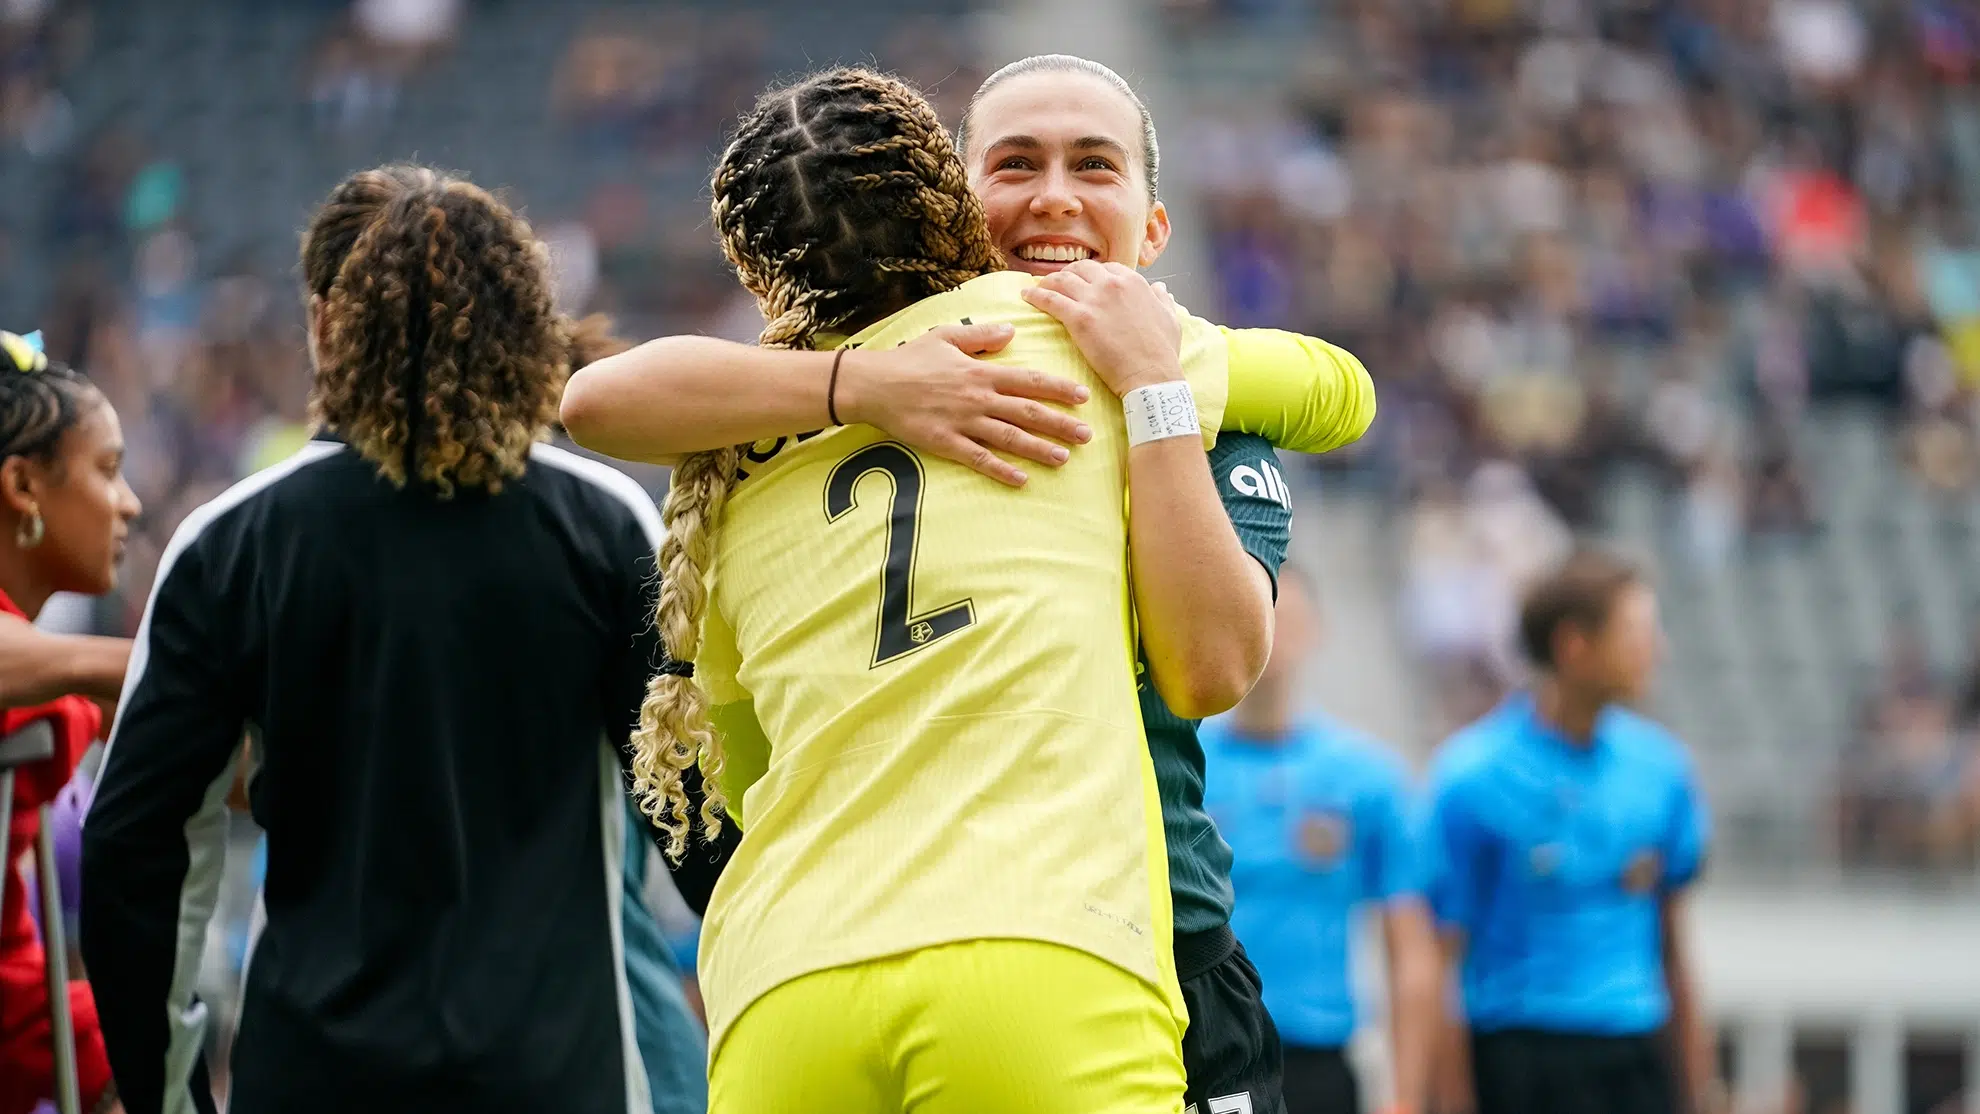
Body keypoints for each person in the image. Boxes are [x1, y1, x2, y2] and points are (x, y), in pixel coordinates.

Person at [561, 55, 1376, 1112]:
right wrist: (1141, 380)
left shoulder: (734, 446)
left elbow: (750, 763)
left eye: (1094, 165)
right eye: (1014, 164)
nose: (1053, 197)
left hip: (790, 976)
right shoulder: (1114, 358)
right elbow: (1338, 395)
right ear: (952, 196)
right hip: (1062, 943)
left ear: (1156, 224)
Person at [79, 166, 732, 1114]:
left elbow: (136, 846)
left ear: (329, 327)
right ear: (526, 329)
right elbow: (693, 825)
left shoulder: (232, 541)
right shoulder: (601, 522)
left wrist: (166, 1094)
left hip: (315, 1075)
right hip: (558, 1075)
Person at [1425, 549, 1721, 1114]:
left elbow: (1675, 949)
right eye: (1636, 632)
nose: (1656, 650)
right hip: (1520, 1059)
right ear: (1574, 646)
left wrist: (1700, 1092)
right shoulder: (1470, 779)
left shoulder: (1663, 772)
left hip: (1634, 1057)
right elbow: (1443, 962)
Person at [1202, 567, 1442, 1114]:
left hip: (1318, 1059)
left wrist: (1406, 1094)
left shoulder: (1368, 777)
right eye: (1255, 612)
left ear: (1316, 629)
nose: (1270, 630)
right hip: (1208, 1050)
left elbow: (1409, 947)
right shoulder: (1183, 770)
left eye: (1284, 616)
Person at [0, 328, 140, 1114]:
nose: (131, 501)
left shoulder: (49, 688)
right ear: (23, 486)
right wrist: (159, 663)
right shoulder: (52, 676)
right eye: (108, 470)